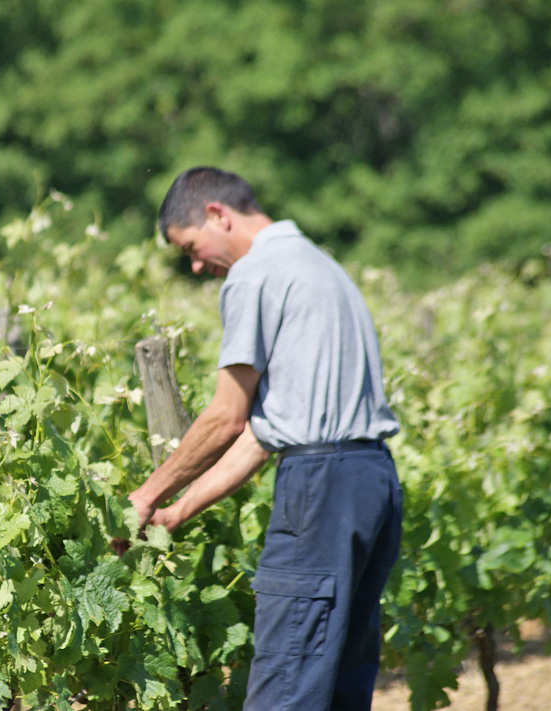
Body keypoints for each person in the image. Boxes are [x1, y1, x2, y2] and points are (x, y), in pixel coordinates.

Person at [127, 166, 402, 710]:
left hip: (319, 490)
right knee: (341, 687)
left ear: (217, 215)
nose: (197, 265)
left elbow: (227, 417)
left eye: (190, 248)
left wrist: (143, 495)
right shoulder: (321, 266)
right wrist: (179, 512)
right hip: (370, 481)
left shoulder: (256, 273)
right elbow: (268, 430)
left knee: (286, 687)